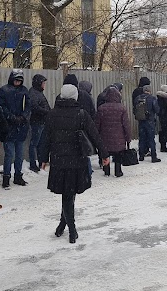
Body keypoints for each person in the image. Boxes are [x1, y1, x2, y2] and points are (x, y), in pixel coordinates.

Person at [39, 84, 109, 243]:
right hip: (77, 161)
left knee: (68, 194)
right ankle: (72, 230)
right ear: (75, 97)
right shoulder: (81, 114)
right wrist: (104, 154)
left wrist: (43, 158)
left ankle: (62, 224)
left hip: (59, 160)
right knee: (69, 194)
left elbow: (45, 138)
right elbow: (95, 135)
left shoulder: (52, 114)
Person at [0, 69, 30, 188]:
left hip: (20, 127)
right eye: (16, 80)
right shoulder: (4, 90)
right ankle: (6, 177)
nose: (17, 82)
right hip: (9, 127)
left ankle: (18, 176)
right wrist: (11, 117)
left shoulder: (24, 90)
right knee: (9, 154)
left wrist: (23, 117)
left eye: (19, 80)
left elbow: (28, 106)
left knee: (19, 155)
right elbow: (2, 107)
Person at [95, 86, 131, 176]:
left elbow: (97, 124)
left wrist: (96, 136)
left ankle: (106, 170)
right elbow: (126, 125)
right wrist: (128, 137)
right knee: (118, 154)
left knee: (105, 153)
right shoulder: (122, 108)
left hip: (105, 137)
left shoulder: (101, 108)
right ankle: (118, 171)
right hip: (119, 137)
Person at [29, 74, 50, 173]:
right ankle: (33, 164)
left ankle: (41, 162)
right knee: (34, 144)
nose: (44, 85)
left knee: (41, 143)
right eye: (43, 83)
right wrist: (46, 112)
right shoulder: (33, 93)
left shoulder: (38, 93)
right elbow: (35, 107)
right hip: (37, 121)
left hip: (41, 121)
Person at [134, 85, 161, 163]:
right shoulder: (152, 98)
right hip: (150, 121)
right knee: (151, 139)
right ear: (149, 90)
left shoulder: (137, 98)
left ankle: (141, 156)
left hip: (141, 121)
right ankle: (153, 157)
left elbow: (134, 109)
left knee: (142, 139)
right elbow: (157, 109)